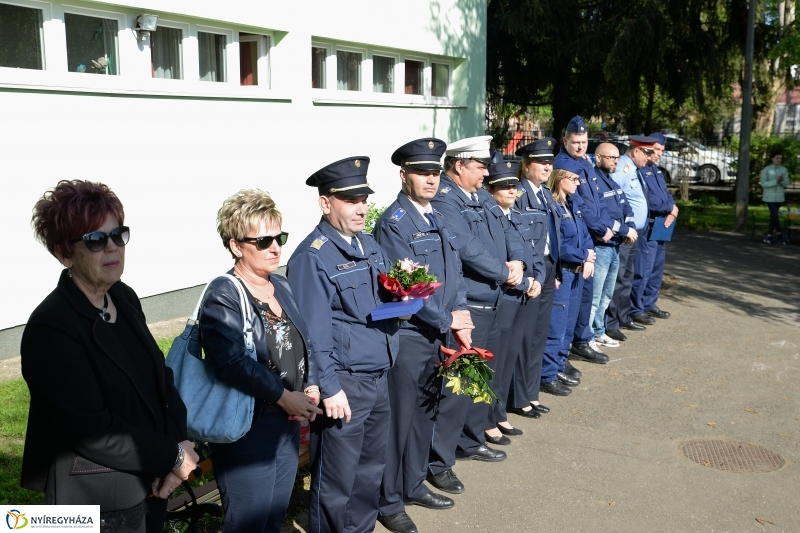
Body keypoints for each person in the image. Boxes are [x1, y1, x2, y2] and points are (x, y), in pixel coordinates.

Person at [21, 180, 198, 533]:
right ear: (63, 252)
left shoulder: (123, 297)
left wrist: (176, 447)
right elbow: (92, 431)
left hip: (152, 480)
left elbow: (160, 380)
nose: (113, 247)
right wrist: (172, 457)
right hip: (97, 501)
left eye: (118, 234)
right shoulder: (51, 328)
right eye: (96, 240)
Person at [287, 156, 400, 533]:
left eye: (364, 200)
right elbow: (313, 332)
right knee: (336, 481)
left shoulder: (367, 244)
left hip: (378, 375)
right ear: (325, 203)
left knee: (369, 472)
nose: (362, 208)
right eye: (351, 201)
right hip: (346, 384)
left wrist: (407, 296)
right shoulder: (312, 256)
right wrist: (330, 388)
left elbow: (382, 300)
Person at [200, 189, 323, 533]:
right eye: (263, 240)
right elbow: (232, 363)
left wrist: (310, 384)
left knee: (271, 518)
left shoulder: (280, 284)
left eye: (279, 237)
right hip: (248, 429)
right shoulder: (223, 294)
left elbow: (304, 340)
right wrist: (285, 396)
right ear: (236, 245)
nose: (275, 247)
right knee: (247, 523)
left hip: (286, 422)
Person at [373, 138, 473, 533]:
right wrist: (449, 320)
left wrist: (461, 311)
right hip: (411, 334)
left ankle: (413, 483)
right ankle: (388, 499)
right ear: (404, 176)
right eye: (422, 173)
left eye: (435, 173)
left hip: (439, 332)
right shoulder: (395, 223)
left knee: (424, 412)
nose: (431, 180)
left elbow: (455, 271)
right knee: (399, 420)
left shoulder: (437, 216)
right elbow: (407, 289)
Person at [427, 135, 525, 493]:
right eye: (480, 166)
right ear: (459, 166)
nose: (486, 173)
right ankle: (440, 461)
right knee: (458, 388)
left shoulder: (480, 195)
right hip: (473, 303)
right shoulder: (446, 199)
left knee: (479, 382)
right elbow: (466, 248)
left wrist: (519, 262)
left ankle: (470, 439)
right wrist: (504, 272)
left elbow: (507, 227)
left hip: (495, 298)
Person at [483, 160, 544, 442]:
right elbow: (502, 263)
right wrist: (523, 280)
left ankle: (499, 413)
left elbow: (533, 252)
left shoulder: (516, 215)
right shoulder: (491, 217)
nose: (511, 190)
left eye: (513, 186)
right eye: (504, 186)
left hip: (524, 293)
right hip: (506, 295)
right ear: (490, 188)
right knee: (496, 363)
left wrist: (538, 278)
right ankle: (488, 418)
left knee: (509, 360)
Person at [512, 138, 566, 413]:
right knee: (526, 337)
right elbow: (519, 241)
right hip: (531, 272)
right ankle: (520, 399)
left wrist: (554, 271)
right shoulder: (520, 195)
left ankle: (531, 394)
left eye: (550, 163)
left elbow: (551, 238)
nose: (547, 167)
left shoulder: (545, 193)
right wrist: (533, 275)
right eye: (541, 162)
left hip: (546, 268)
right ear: (526, 164)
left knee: (539, 336)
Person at [555, 116, 614, 365]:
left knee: (586, 295)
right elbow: (579, 205)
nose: (581, 146)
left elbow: (598, 200)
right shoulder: (564, 165)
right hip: (580, 236)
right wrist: (601, 228)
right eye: (576, 142)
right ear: (565, 140)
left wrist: (608, 225)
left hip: (589, 238)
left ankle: (581, 340)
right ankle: (565, 350)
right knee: (571, 303)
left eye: (584, 141)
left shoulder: (586, 163)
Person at [539, 159, 596, 397]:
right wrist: (584, 255)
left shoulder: (571, 204)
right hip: (563, 271)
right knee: (557, 326)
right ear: (559, 178)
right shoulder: (553, 206)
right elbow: (558, 246)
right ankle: (548, 375)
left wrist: (588, 258)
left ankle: (560, 364)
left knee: (568, 323)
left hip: (577, 272)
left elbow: (584, 235)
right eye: (573, 179)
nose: (577, 183)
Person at [605, 136, 658, 334]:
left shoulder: (635, 169)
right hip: (625, 233)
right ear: (636, 151)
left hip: (635, 232)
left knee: (627, 276)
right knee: (618, 278)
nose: (649, 158)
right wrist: (625, 228)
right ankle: (611, 323)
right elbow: (614, 200)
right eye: (647, 153)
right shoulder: (623, 169)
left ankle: (623, 317)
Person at [590, 143, 638, 347]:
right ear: (598, 157)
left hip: (615, 246)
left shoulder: (611, 181)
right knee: (595, 295)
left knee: (607, 294)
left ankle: (599, 330)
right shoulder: (594, 182)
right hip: (601, 247)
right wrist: (626, 230)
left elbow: (626, 206)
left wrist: (631, 226)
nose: (615, 161)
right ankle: (588, 335)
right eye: (611, 158)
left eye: (617, 158)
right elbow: (603, 216)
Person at [639, 132, 678, 320]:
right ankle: (638, 308)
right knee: (645, 268)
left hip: (662, 223)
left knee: (657, 268)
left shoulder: (656, 170)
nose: (659, 153)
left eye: (662, 150)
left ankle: (650, 303)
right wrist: (670, 207)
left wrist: (673, 208)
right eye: (656, 150)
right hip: (650, 222)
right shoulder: (641, 169)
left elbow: (665, 193)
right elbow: (651, 201)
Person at [761, 149, 790, 244]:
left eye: (780, 158)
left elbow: (786, 184)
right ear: (772, 159)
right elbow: (764, 184)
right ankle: (779, 234)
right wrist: (776, 181)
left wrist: (781, 181)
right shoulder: (766, 169)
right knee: (775, 215)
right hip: (769, 197)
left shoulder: (783, 169)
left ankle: (769, 236)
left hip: (779, 197)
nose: (779, 160)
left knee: (773, 217)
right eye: (777, 158)